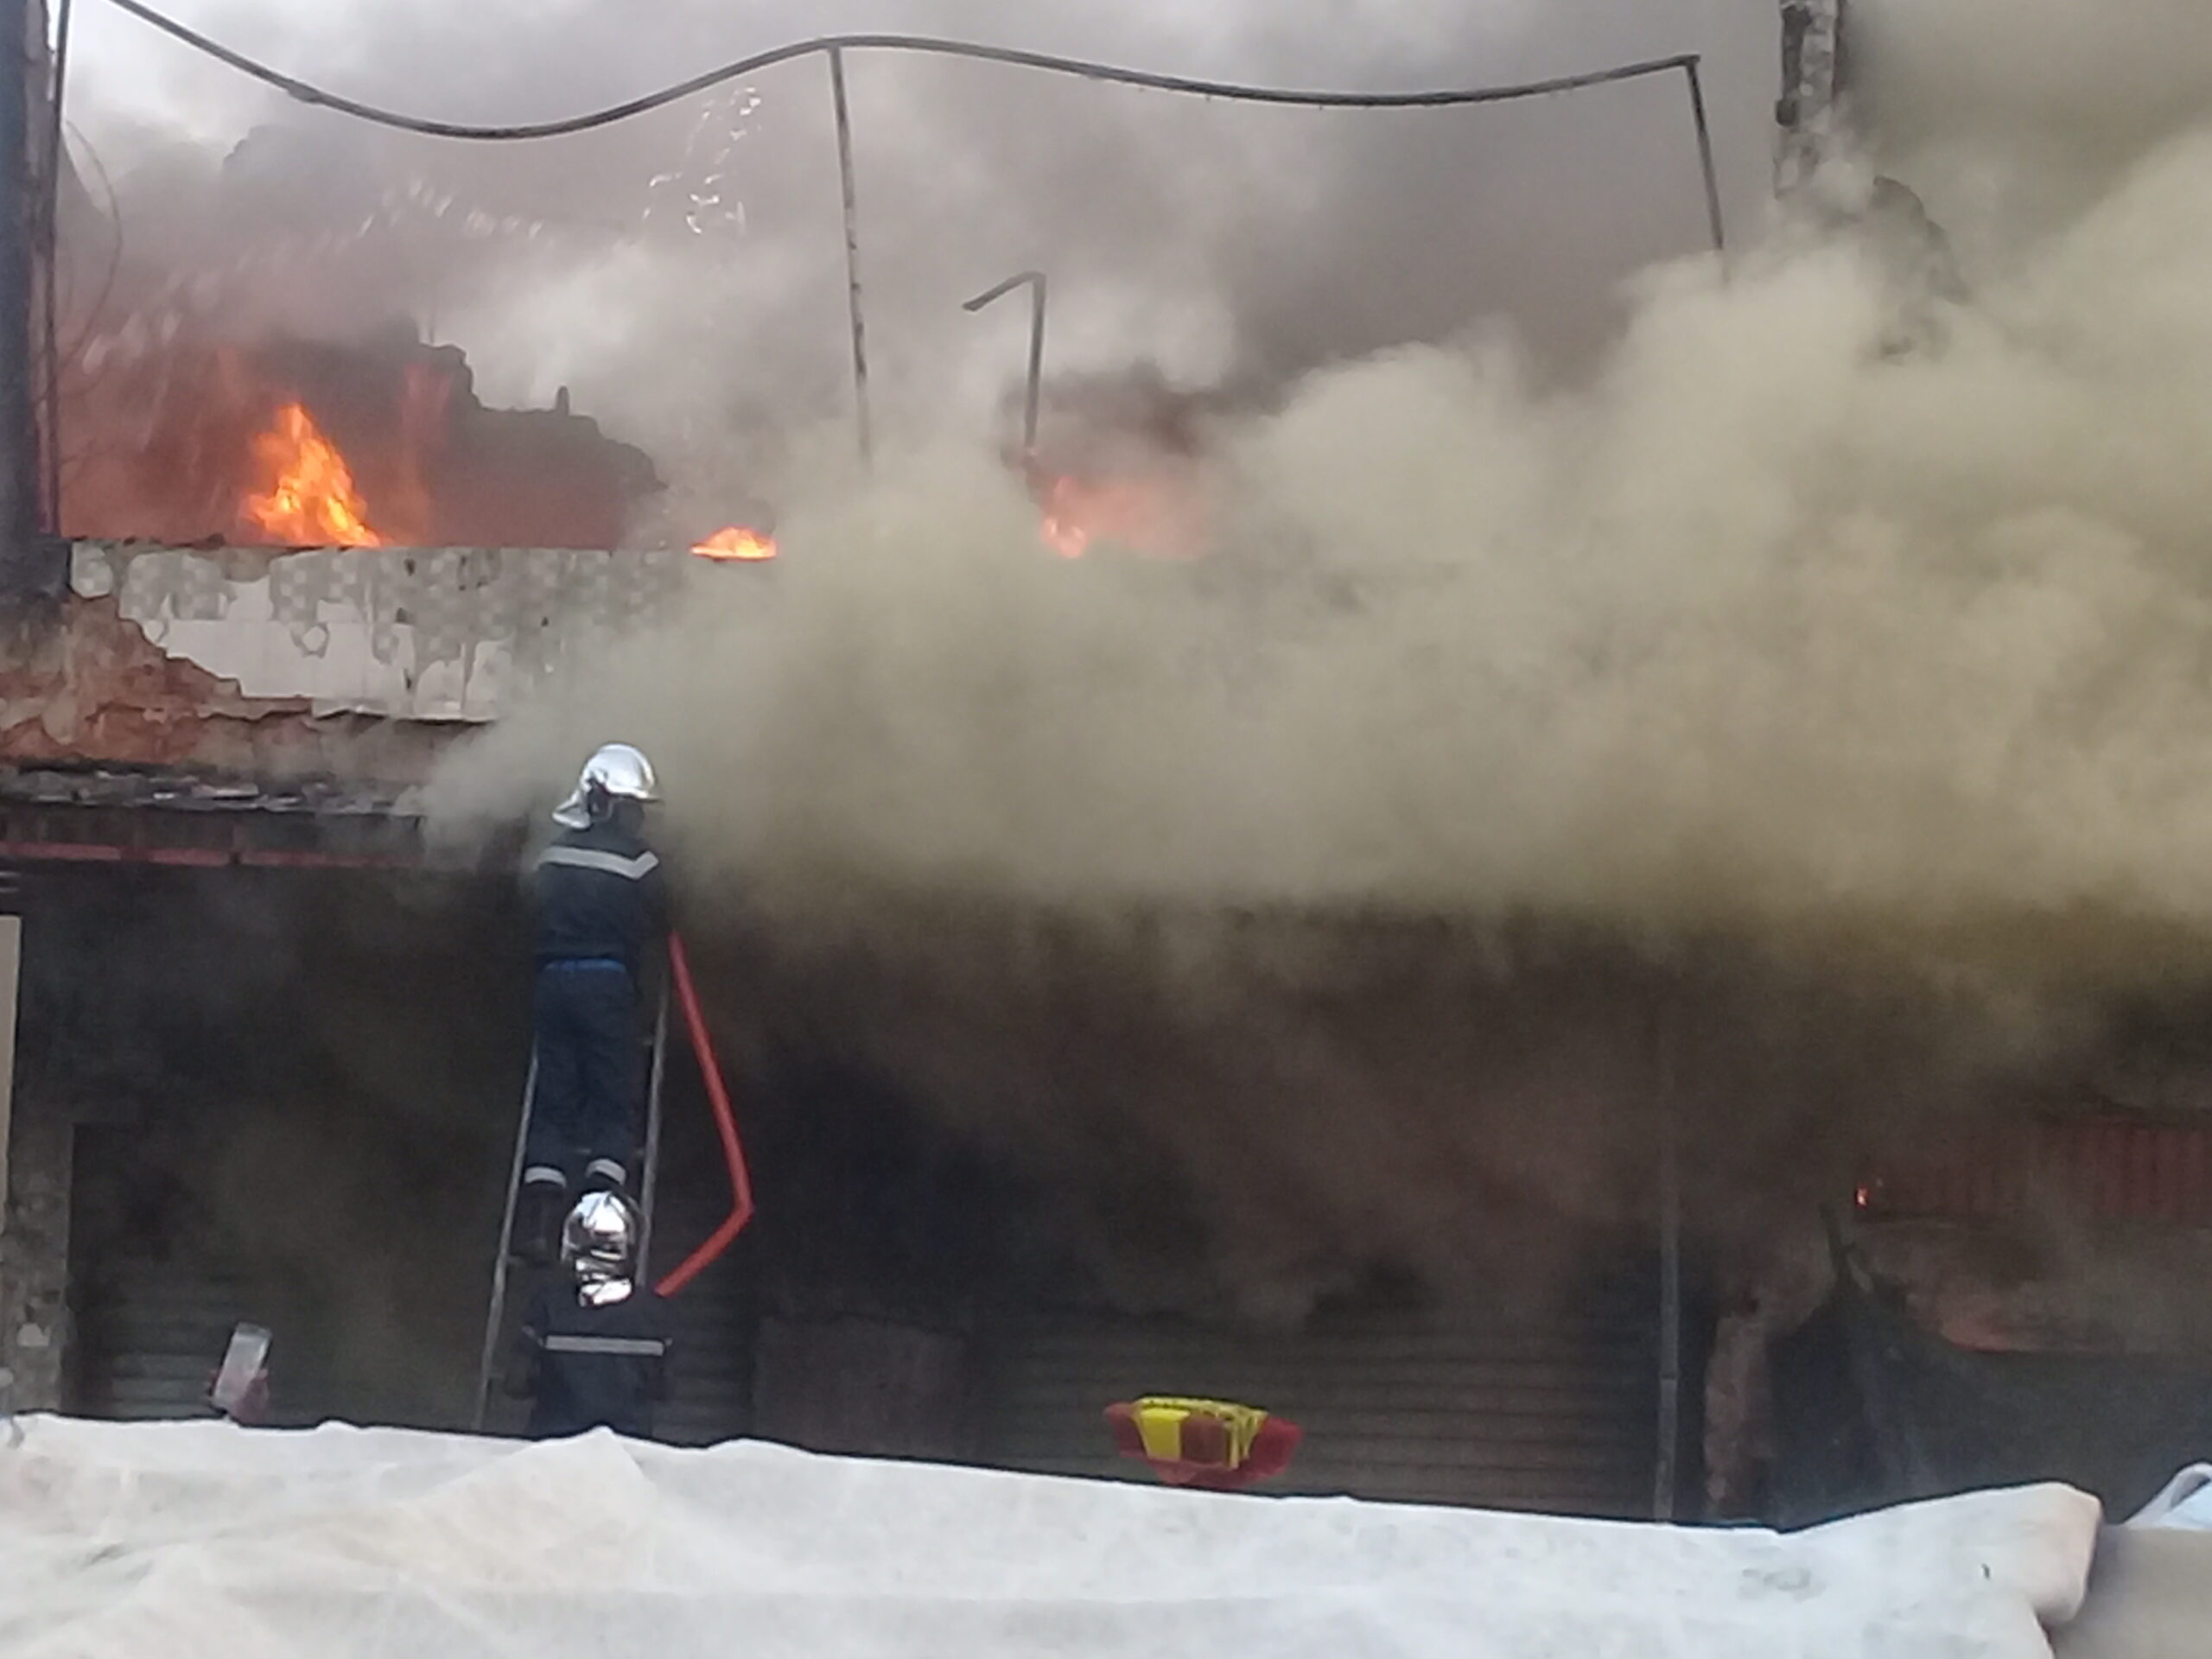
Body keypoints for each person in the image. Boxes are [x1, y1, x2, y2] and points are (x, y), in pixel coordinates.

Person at [516, 742, 670, 1265]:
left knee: (554, 1101)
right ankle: (598, 1227)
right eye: (632, 806)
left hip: (553, 984)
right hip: (607, 986)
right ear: (605, 802)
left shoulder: (552, 855)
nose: (636, 816)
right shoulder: (641, 862)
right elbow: (664, 916)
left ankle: (539, 1226)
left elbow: (531, 908)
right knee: (612, 1102)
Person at [506, 1190, 671, 1441]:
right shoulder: (655, 1312)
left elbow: (516, 1384)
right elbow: (665, 1389)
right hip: (625, 1449)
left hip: (554, 1446)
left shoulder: (547, 1305)